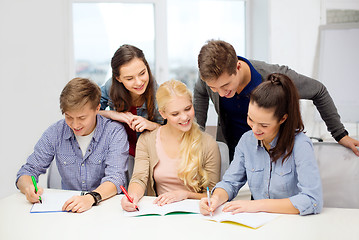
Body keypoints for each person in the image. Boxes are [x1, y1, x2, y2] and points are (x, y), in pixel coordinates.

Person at [194, 39, 359, 161]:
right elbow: (201, 91)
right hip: (235, 156)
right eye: (214, 88)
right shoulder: (210, 79)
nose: (221, 93)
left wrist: (340, 134)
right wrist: (198, 134)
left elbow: (319, 91)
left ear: (237, 67)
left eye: (226, 86)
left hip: (274, 158)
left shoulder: (274, 76)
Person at [200, 73, 323, 216]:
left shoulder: (301, 145)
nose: (255, 129)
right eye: (250, 119)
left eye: (264, 125)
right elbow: (230, 183)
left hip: (292, 223)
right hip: (259, 224)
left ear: (283, 119)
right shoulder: (247, 141)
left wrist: (257, 205)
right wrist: (215, 199)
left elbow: (312, 200)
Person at [16, 78, 129, 213]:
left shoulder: (114, 132)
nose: (75, 125)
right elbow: (27, 171)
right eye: (69, 117)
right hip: (71, 210)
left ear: (97, 109)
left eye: (82, 118)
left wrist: (90, 198)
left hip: (106, 208)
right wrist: (28, 187)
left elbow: (116, 178)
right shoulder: (55, 132)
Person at [121, 79, 221, 211]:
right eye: (175, 114)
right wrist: (132, 196)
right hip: (161, 213)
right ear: (162, 113)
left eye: (188, 108)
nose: (184, 117)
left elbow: (213, 194)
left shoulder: (208, 144)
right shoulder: (147, 140)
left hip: (196, 214)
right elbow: (139, 178)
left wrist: (185, 195)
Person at [100, 44, 163, 177]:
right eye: (129, 78)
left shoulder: (160, 95)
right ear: (118, 78)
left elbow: (176, 133)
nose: (139, 82)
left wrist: (151, 125)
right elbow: (87, 112)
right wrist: (113, 114)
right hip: (119, 156)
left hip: (151, 159)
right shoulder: (110, 87)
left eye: (142, 73)